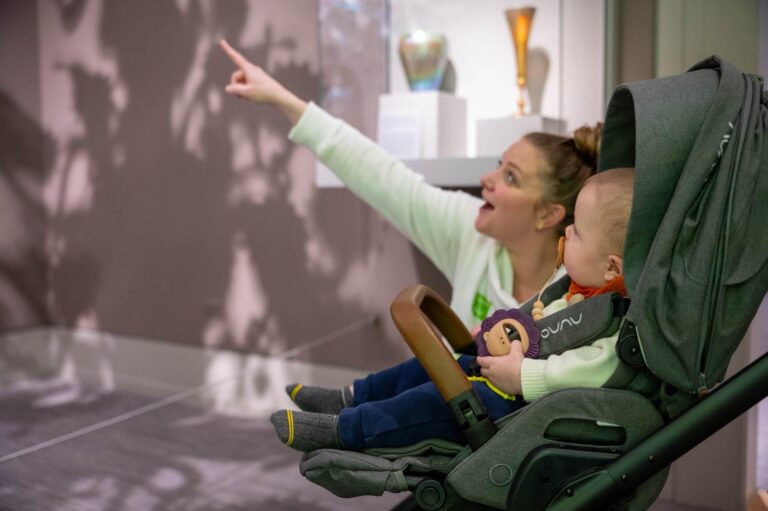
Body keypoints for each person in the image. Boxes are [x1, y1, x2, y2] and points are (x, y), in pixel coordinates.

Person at [219, 39, 603, 330]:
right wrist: (281, 98)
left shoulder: (582, 290)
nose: (486, 181)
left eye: (510, 177)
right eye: (498, 166)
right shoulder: (470, 231)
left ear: (548, 213)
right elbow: (380, 175)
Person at [270, 168, 636, 452]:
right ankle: (349, 398)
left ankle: (344, 431)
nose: (567, 230)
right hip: (503, 377)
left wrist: (523, 374)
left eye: (579, 233)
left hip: (521, 406)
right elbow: (541, 325)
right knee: (436, 363)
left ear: (612, 269)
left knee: (434, 401)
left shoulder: (613, 326)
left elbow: (586, 373)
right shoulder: (576, 292)